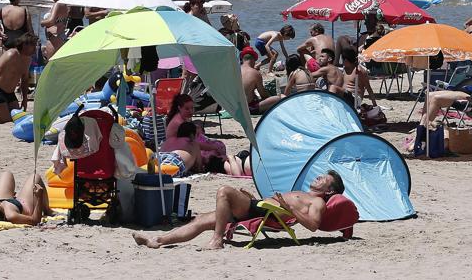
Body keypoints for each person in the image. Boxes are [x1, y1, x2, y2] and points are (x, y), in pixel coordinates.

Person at [132, 172, 346, 250]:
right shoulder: (303, 192)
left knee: (224, 191)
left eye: (324, 178)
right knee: (199, 221)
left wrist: (289, 207)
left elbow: (313, 226)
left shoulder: (318, 203)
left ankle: (217, 240)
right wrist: (253, 199)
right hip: (257, 207)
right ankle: (157, 241)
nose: (318, 177)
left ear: (330, 190)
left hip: (263, 213)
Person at [0, 34, 35, 124]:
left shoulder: (28, 60)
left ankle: (0, 109)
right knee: (4, 119)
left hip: (10, 92)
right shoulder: (11, 54)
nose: (35, 48)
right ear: (24, 45)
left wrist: (25, 99)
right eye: (33, 45)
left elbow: (25, 80)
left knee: (16, 117)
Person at [165, 94, 227, 165]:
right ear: (179, 108)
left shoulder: (181, 118)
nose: (191, 111)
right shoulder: (179, 122)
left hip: (180, 147)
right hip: (178, 150)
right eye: (187, 109)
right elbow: (192, 143)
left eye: (192, 108)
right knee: (216, 148)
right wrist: (212, 147)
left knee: (217, 145)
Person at [240, 49, 266, 113]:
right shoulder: (255, 73)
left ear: (243, 60)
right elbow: (263, 95)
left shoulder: (234, 70)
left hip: (233, 106)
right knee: (276, 99)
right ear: (252, 60)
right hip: (247, 108)